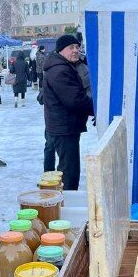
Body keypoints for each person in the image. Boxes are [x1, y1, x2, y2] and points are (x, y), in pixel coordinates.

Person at [42, 34, 94, 190]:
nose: (75, 50)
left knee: (68, 168)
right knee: (69, 171)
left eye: (77, 47)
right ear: (61, 50)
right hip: (64, 127)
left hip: (65, 126)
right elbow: (75, 100)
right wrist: (97, 110)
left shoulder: (64, 66)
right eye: (71, 47)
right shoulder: (60, 71)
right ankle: (65, 203)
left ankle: (63, 200)